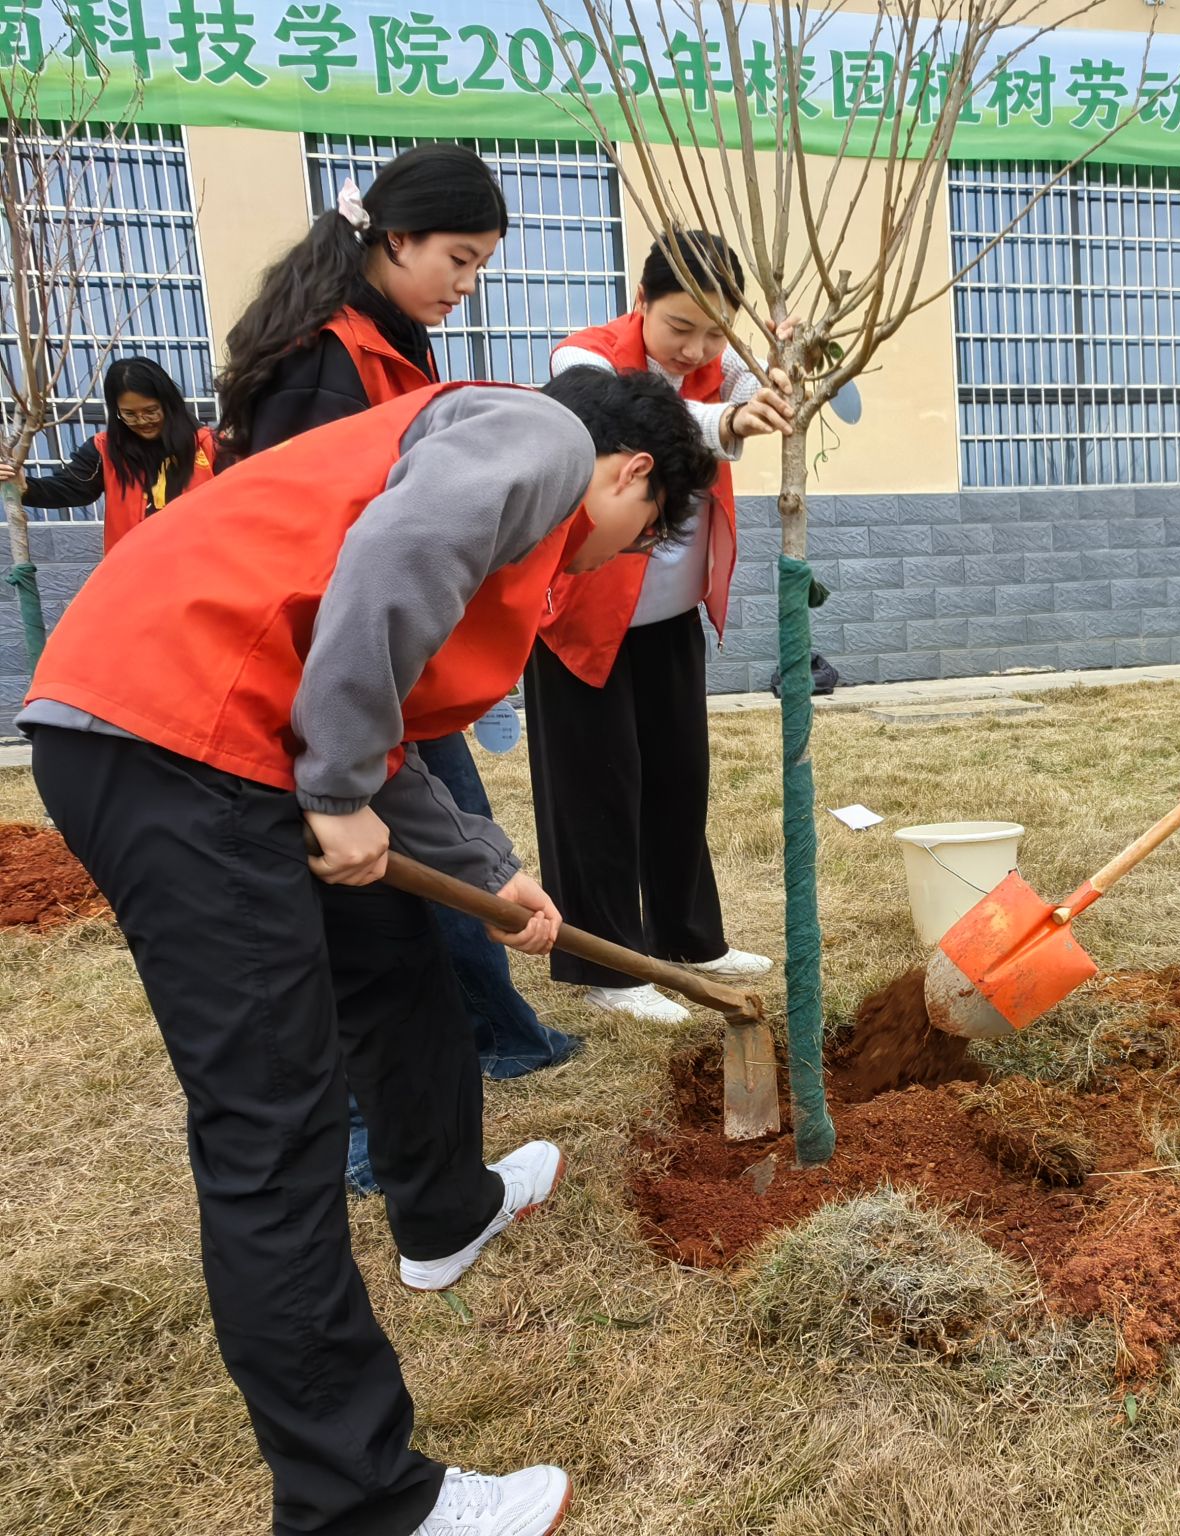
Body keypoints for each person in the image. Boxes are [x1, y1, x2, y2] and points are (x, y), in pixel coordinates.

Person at [18, 365, 716, 1536]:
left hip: (219, 730)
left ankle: (443, 1211)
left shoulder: (487, 476)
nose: (614, 562)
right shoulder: (542, 438)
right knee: (271, 1125)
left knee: (394, 959)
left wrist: (489, 876)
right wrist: (335, 789)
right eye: (642, 536)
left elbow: (369, 728)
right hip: (178, 735)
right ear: (631, 473)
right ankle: (360, 1504)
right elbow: (394, 568)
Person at [215, 142, 578, 1188]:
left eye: (481, 267)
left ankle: (496, 1031)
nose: (467, 286)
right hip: (313, 668)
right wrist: (336, 764)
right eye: (458, 260)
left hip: (375, 664)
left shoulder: (396, 341)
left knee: (449, 840)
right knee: (360, 903)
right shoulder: (320, 358)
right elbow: (330, 554)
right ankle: (364, 1131)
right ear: (396, 237)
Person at [525, 229, 793, 1023]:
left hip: (668, 617)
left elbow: (758, 374)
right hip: (585, 618)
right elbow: (651, 427)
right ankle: (608, 963)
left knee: (678, 779)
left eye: (715, 331)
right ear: (641, 300)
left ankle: (688, 937)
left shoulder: (717, 361)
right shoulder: (585, 360)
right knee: (597, 790)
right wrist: (731, 419)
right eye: (680, 326)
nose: (696, 349)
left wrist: (781, 362)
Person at [0, 356, 215, 553]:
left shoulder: (209, 445)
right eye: (129, 414)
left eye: (151, 411)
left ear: (169, 405)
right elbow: (71, 488)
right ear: (116, 412)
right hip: (133, 568)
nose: (142, 421)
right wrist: (25, 487)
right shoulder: (105, 450)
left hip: (202, 564)